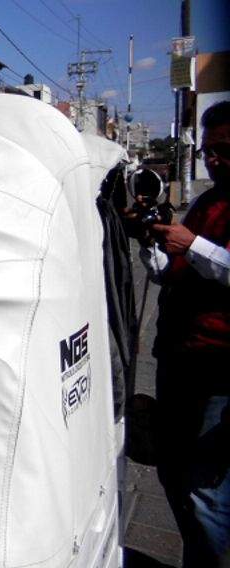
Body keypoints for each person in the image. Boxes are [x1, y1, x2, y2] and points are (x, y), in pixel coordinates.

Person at [132, 99, 230, 567]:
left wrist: (193, 245)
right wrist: (151, 242)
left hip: (219, 368)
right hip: (179, 354)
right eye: (209, 151)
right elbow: (171, 271)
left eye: (224, 150)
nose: (214, 160)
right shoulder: (208, 202)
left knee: (204, 489)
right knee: (172, 470)